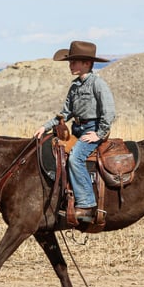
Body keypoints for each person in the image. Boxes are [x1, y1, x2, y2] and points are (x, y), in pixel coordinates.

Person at [34, 41, 116, 222]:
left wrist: (99, 133)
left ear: (87, 63)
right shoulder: (74, 87)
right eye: (70, 62)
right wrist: (44, 127)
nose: (70, 66)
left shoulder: (97, 84)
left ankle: (86, 204)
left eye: (74, 62)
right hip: (76, 129)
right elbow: (64, 114)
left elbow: (109, 112)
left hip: (92, 129)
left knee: (75, 158)